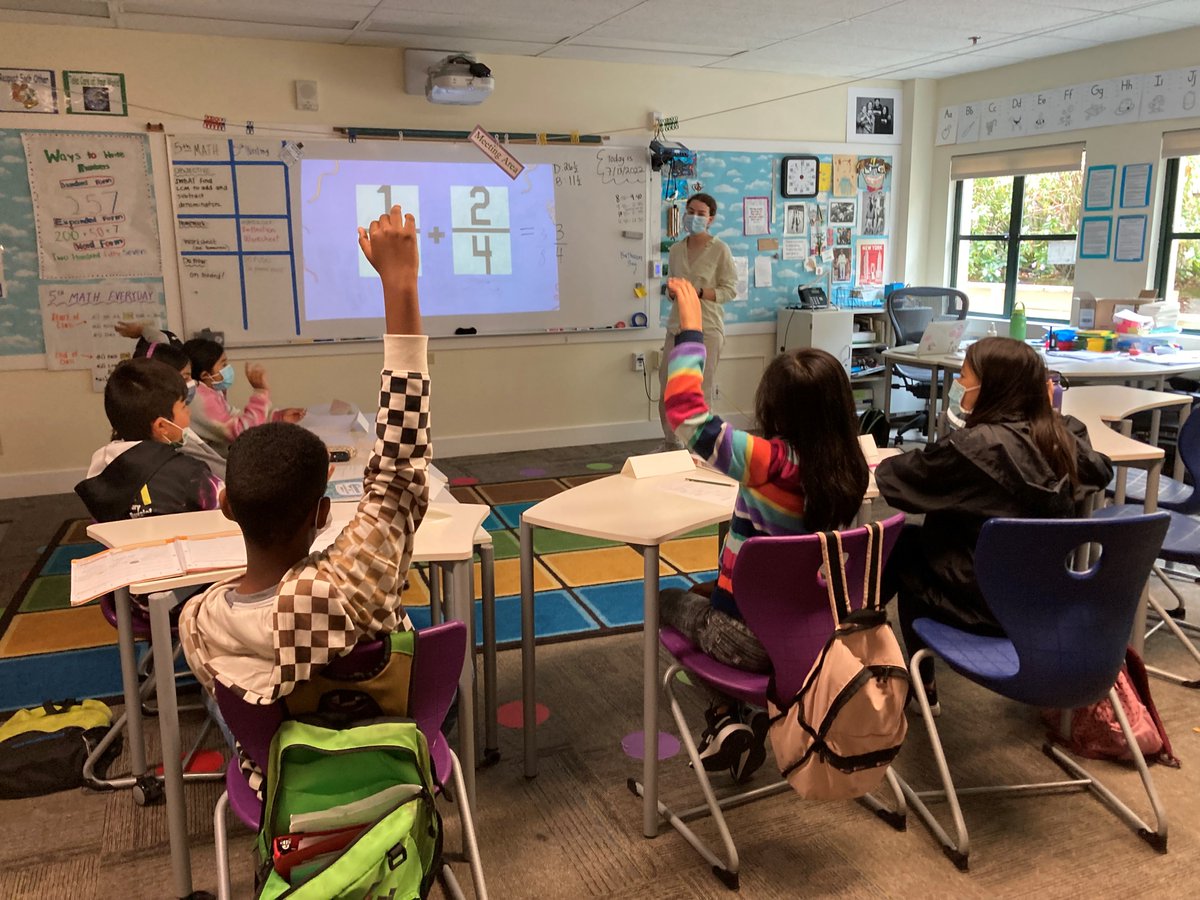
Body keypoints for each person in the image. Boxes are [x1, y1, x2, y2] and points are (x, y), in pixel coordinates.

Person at [179, 203, 430, 707]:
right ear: (323, 512)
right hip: (391, 750)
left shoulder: (198, 623)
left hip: (277, 776)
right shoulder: (345, 587)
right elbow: (399, 468)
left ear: (227, 505)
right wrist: (400, 283)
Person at [658, 277, 869, 780]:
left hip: (751, 639)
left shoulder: (766, 461)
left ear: (774, 407)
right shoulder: (851, 466)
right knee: (706, 591)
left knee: (664, 599)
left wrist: (692, 332)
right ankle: (734, 719)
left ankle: (724, 717)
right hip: (820, 633)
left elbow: (686, 414)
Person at [875, 337, 1114, 714]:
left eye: (964, 376)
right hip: (1047, 606)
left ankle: (893, 681)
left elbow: (900, 480)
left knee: (900, 545)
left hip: (980, 607)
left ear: (990, 388)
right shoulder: (1065, 438)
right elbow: (1101, 469)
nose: (958, 385)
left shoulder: (973, 448)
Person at [76, 357, 222, 523]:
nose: (188, 412)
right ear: (162, 426)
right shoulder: (191, 473)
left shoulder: (100, 470)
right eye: (183, 406)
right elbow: (232, 509)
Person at [659, 193, 737, 450]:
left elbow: (730, 290)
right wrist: (673, 292)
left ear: (710, 219)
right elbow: (672, 287)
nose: (694, 217)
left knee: (699, 392)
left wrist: (700, 293)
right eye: (690, 211)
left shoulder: (719, 250)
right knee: (668, 388)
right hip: (677, 326)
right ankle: (672, 444)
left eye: (701, 214)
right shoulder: (676, 250)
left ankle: (700, 450)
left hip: (707, 329)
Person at [182, 338, 306, 457]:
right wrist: (260, 392)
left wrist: (277, 418)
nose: (228, 368)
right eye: (223, 364)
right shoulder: (200, 398)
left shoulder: (210, 391)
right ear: (205, 374)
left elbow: (234, 417)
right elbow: (242, 432)